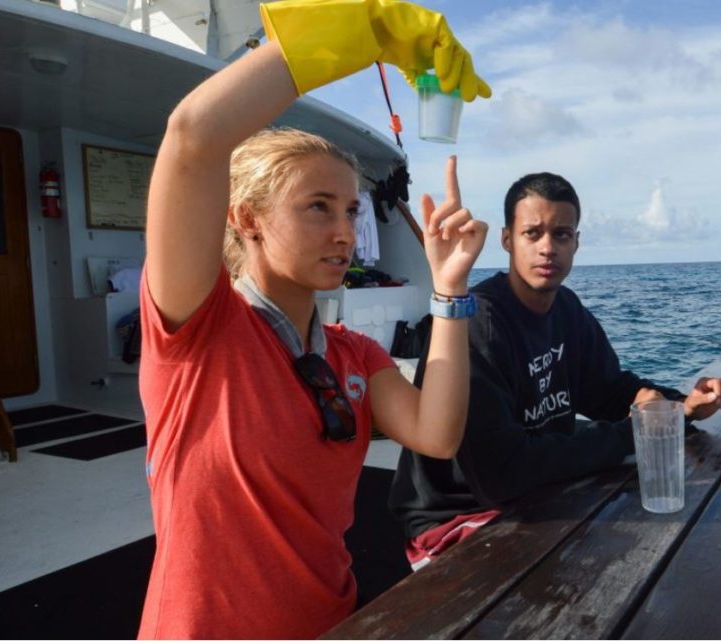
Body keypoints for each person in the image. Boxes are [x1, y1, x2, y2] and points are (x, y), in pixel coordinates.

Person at [137, 0, 490, 637]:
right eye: (318, 208)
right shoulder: (198, 331)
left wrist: (450, 289)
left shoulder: (354, 355)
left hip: (334, 621)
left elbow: (437, 436)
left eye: (352, 211)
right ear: (245, 218)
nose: (345, 233)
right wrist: (364, 33)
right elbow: (193, 135)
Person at [389, 172, 721, 569]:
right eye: (532, 233)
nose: (547, 248)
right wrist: (634, 432)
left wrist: (680, 408)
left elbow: (608, 390)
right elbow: (503, 473)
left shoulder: (566, 309)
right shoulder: (478, 325)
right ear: (507, 240)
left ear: (576, 242)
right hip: (459, 520)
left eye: (561, 234)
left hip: (535, 494)